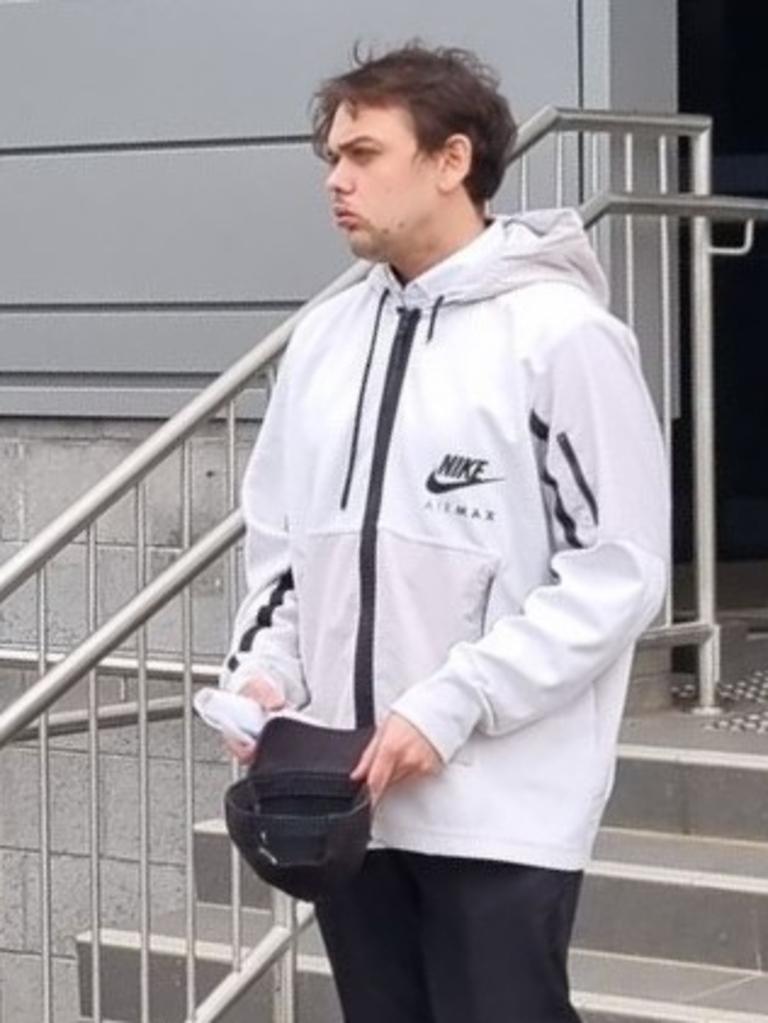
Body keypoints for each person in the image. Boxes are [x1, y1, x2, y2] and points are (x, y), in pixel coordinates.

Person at [220, 43, 669, 1023]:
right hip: (349, 800)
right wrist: (265, 675)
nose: (336, 180)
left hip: (501, 807)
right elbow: (286, 554)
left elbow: (623, 571)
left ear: (451, 160)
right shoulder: (324, 342)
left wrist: (453, 703)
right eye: (331, 157)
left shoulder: (561, 336)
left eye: (364, 153)